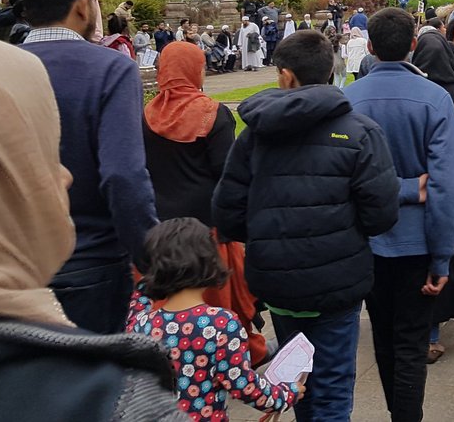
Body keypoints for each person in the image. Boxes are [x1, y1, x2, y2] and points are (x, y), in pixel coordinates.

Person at [0, 33, 186, 422]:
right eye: (33, 151)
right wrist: (152, 258)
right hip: (99, 270)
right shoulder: (109, 399)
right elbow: (124, 177)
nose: (64, 176)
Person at [213, 30, 400, 422]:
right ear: (331, 70)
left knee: (296, 380)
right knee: (332, 385)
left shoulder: (253, 137)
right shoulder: (360, 132)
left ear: (284, 76)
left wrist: (269, 235)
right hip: (339, 278)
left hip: (277, 280)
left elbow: (228, 213)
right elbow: (382, 213)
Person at [18, 0, 157, 334]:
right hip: (89, 262)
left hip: (9, 267)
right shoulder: (110, 68)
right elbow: (123, 175)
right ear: (83, 5)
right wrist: (151, 255)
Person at [343, 9, 454, 422]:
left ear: (370, 47)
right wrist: (442, 255)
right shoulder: (435, 98)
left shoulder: (348, 100)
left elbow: (343, 179)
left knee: (383, 335)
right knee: (411, 341)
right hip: (417, 243)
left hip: (365, 241)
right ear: (414, 43)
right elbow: (445, 187)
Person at [142, 40, 264, 363]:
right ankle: (222, 361)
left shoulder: (144, 116)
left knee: (166, 306)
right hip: (207, 232)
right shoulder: (212, 114)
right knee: (215, 305)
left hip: (161, 231)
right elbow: (229, 175)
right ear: (196, 70)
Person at [128, 218, 302, 421]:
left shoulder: (140, 323)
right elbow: (244, 386)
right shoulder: (221, 324)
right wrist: (285, 394)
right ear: (209, 262)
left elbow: (138, 298)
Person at [411, 28, 454, 363]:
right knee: (445, 248)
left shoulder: (414, 91)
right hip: (447, 182)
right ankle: (433, 331)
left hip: (411, 183)